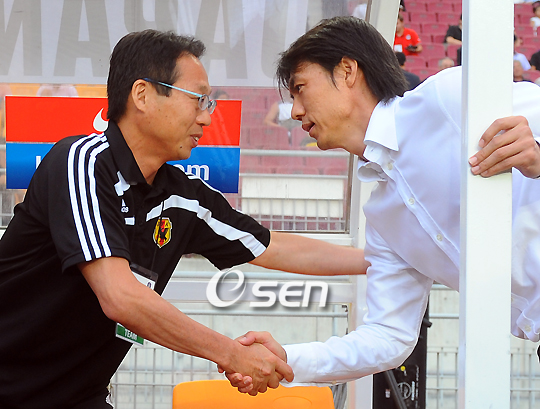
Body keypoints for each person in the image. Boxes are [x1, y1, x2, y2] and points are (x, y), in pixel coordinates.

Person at [0, 29, 370, 408]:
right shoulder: (82, 164)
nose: (207, 118)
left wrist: (379, 261)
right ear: (142, 95)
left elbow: (272, 247)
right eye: (198, 100)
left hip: (79, 397)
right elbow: (120, 297)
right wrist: (231, 353)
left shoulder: (182, 195)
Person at [225, 16, 540, 392]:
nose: (294, 111)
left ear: (347, 71)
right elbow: (388, 337)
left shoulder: (448, 97)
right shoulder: (383, 219)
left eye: (300, 89)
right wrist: (287, 359)